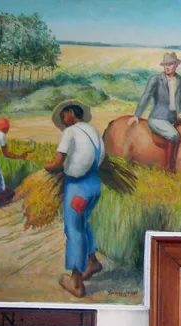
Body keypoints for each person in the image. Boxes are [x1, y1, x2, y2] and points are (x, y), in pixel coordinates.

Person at [44, 100, 106, 298]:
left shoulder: (70, 132)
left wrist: (46, 167)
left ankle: (76, 283)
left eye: (63, 117)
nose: (63, 122)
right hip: (95, 186)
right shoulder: (94, 131)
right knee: (82, 223)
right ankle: (93, 262)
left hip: (78, 189)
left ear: (71, 113)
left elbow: (56, 163)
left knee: (73, 229)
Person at [126, 52, 181, 173]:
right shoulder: (156, 79)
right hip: (158, 118)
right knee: (174, 135)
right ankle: (169, 169)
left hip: (174, 119)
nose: (167, 67)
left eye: (170, 64)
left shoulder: (179, 80)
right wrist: (137, 115)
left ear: (176, 65)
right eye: (165, 64)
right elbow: (146, 96)